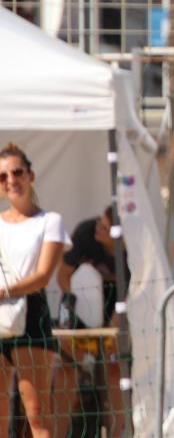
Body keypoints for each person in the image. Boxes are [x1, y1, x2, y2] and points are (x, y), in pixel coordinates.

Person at [0, 143, 70, 437]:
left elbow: (43, 275)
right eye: (3, 176)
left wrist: (4, 292)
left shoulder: (49, 221)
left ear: (31, 175)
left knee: (37, 413)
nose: (11, 181)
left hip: (32, 314)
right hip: (1, 316)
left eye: (17, 172)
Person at [52, 203, 126, 438]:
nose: (98, 229)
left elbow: (130, 293)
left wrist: (112, 327)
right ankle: (58, 433)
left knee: (114, 369)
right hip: (75, 306)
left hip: (115, 310)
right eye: (99, 223)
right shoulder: (85, 233)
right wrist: (78, 314)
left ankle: (116, 433)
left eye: (105, 228)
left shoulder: (132, 250)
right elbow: (62, 276)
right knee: (66, 367)